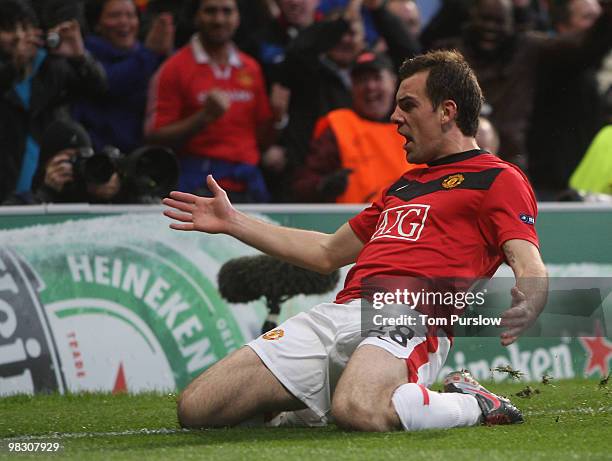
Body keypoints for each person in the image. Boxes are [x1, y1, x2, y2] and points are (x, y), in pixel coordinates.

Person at [163, 50, 548, 432]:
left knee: (359, 410)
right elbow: (327, 252)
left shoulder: (499, 177)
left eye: (408, 106)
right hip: (340, 314)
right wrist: (233, 221)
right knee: (198, 410)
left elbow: (527, 260)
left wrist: (531, 297)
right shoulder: (402, 186)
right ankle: (315, 406)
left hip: (410, 316)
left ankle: (474, 403)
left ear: (447, 112)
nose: (395, 117)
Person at [145, 0, 279, 203]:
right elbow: (154, 136)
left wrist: (279, 117)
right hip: (198, 185)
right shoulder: (174, 68)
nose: (219, 19)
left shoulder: (250, 67)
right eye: (210, 11)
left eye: (227, 11)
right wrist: (203, 118)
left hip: (248, 184)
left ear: (238, 17)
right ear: (196, 16)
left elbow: (261, 137)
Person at [0, 0, 107, 203]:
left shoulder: (51, 66)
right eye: (8, 29)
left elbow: (99, 89)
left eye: (25, 27)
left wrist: (79, 56)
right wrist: (14, 65)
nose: (18, 36)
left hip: (46, 184)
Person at [293, 51, 421, 202]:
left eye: (376, 78)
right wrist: (322, 186)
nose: (370, 86)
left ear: (393, 82)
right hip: (355, 221)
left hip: (413, 219)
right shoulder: (338, 125)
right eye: (362, 80)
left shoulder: (418, 123)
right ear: (351, 87)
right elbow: (303, 184)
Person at [72, 0, 175, 153]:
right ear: (98, 23)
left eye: (130, 15)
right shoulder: (85, 53)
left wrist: (165, 54)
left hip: (140, 156)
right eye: (114, 15)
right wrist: (150, 54)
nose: (124, 22)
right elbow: (107, 83)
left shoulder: (146, 53)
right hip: (97, 153)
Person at [2, 119, 122, 205]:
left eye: (83, 159)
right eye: (69, 159)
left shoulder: (93, 201)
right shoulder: (21, 203)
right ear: (47, 163)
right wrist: (46, 193)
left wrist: (112, 194)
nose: (76, 167)